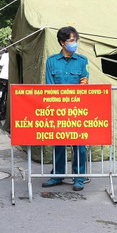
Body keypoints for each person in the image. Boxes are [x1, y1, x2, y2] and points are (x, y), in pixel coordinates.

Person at [42, 26, 90, 191]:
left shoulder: (82, 61)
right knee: (59, 143)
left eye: (75, 40)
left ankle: (79, 178)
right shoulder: (52, 61)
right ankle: (57, 175)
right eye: (70, 40)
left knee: (79, 145)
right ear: (62, 42)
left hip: (77, 109)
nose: (74, 43)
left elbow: (84, 82)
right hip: (58, 109)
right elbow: (49, 86)